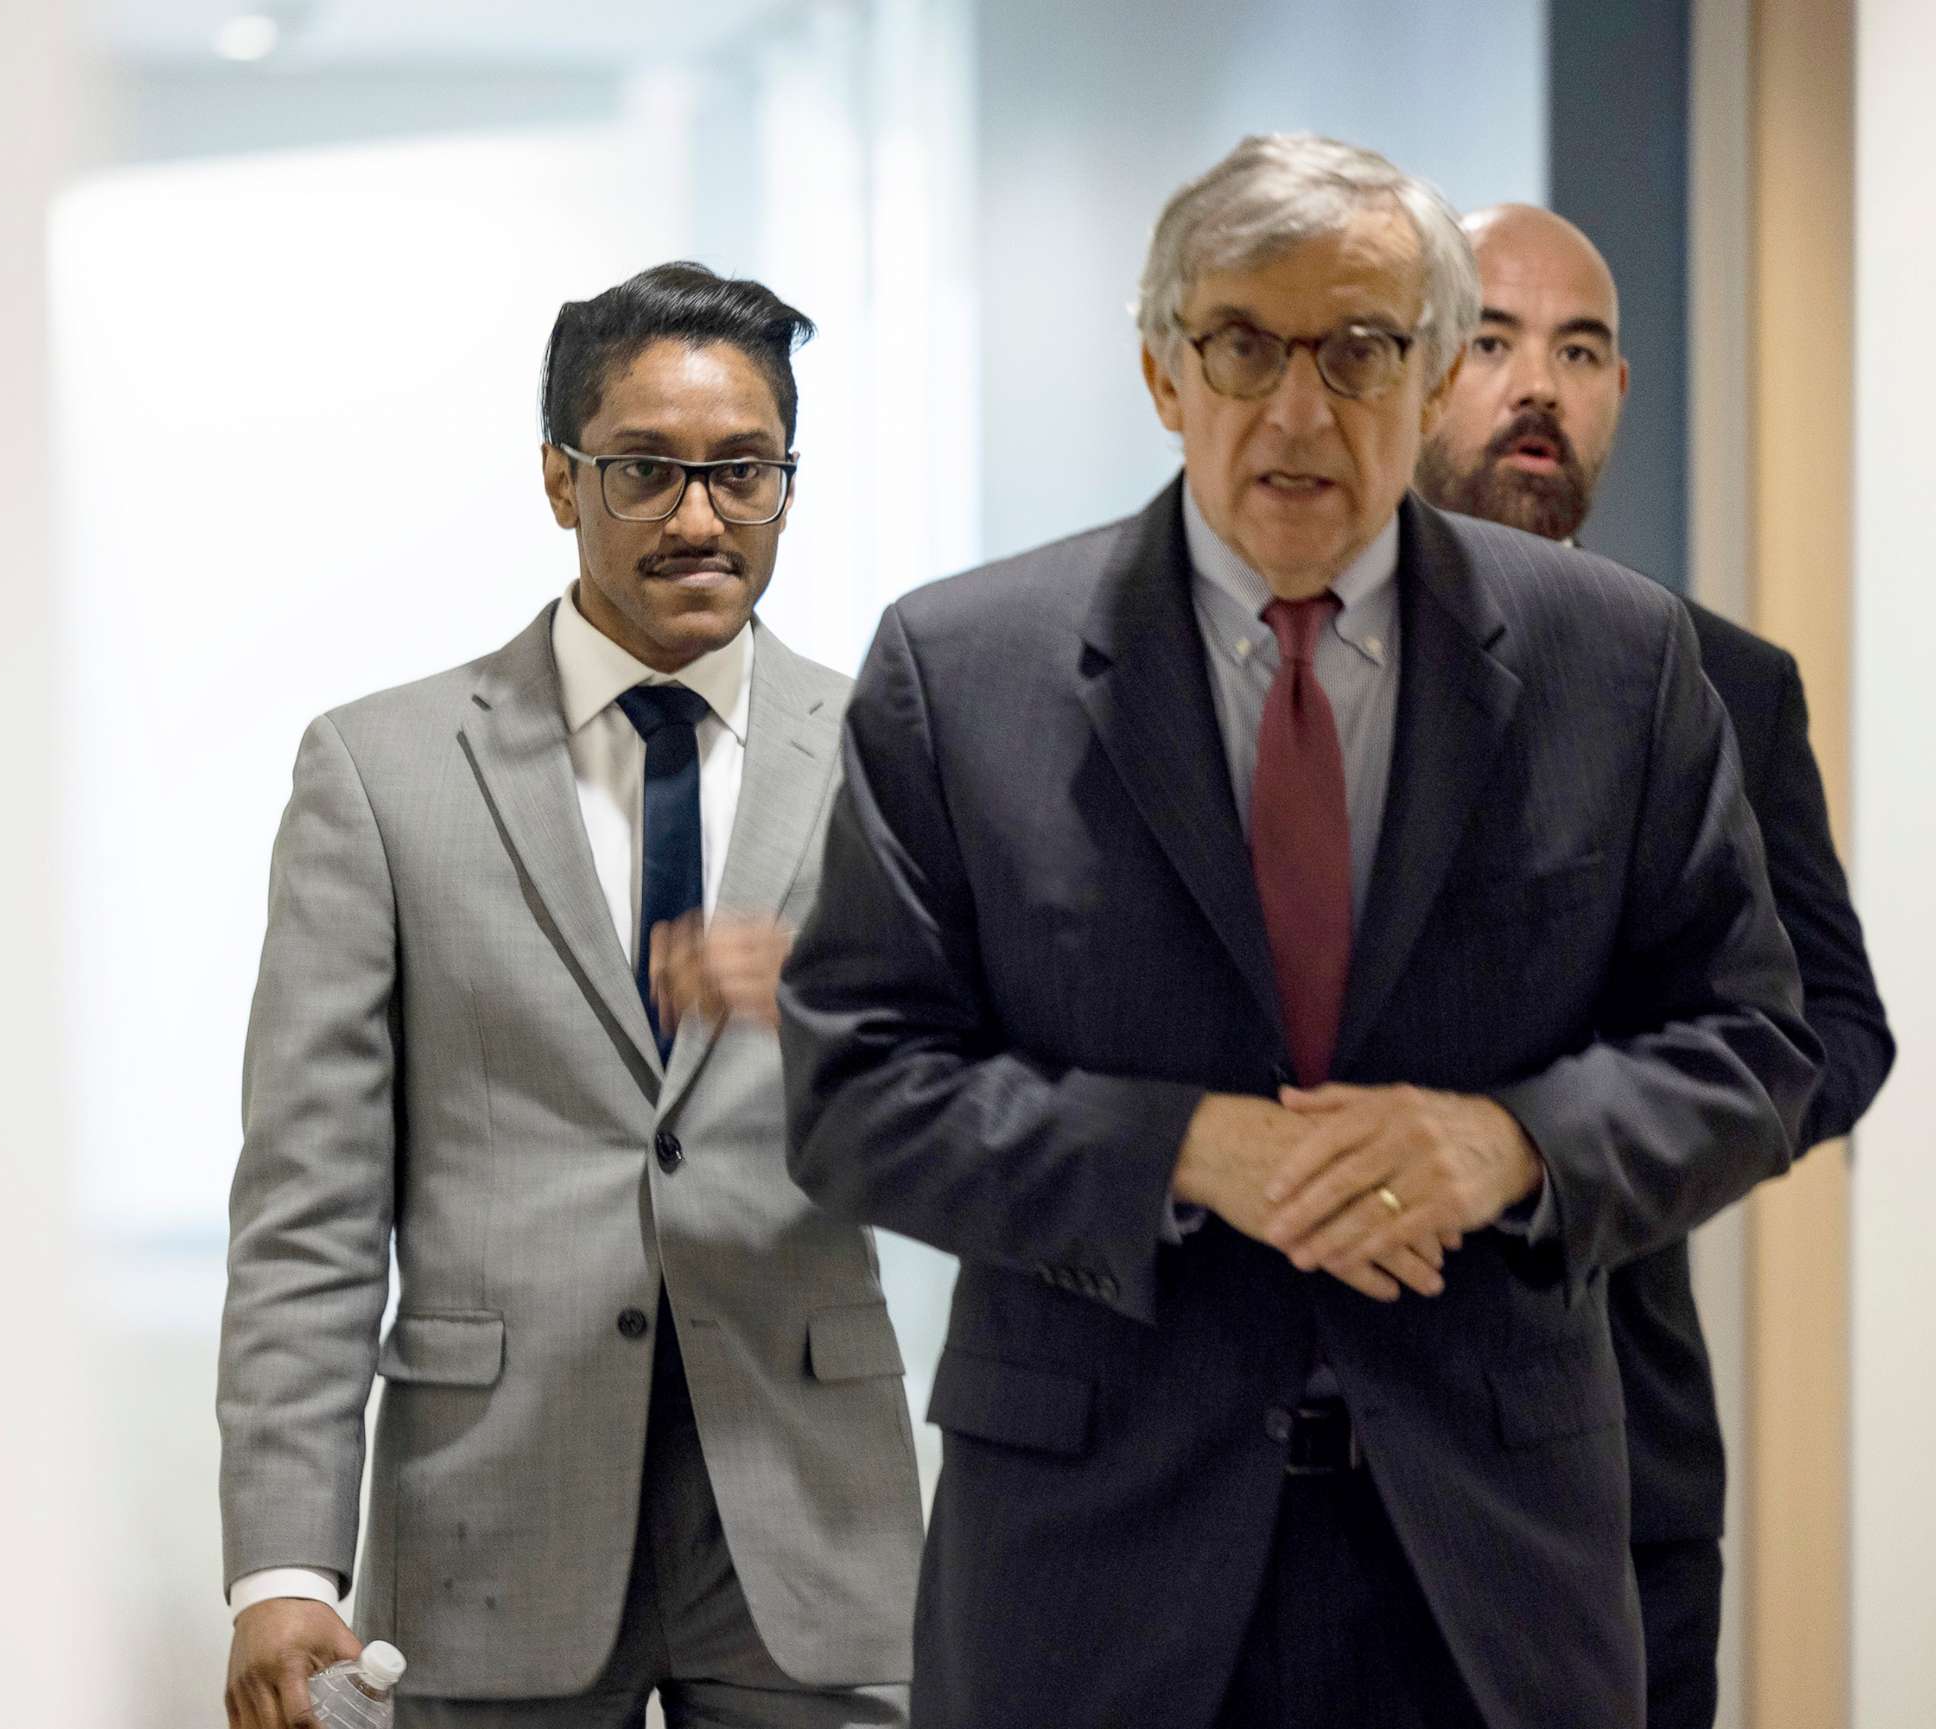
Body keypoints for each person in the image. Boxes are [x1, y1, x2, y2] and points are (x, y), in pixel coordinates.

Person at [778, 135, 1819, 1729]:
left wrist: (1509, 1145)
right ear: (1160, 370)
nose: (1297, 408)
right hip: (1090, 1567)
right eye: (1243, 344)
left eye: (1359, 348)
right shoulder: (959, 669)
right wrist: (1184, 1149)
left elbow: (1753, 1041)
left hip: (1490, 1563)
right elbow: (855, 1096)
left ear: (1431, 370)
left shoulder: (1618, 661)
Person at [217, 261, 919, 1729]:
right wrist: (283, 1561)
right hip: (493, 1520)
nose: (699, 515)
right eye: (646, 472)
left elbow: (998, 1094)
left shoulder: (893, 753)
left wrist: (845, 1001)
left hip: (810, 1508)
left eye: (742, 471)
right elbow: (309, 1201)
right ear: (560, 479)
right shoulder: (381, 771)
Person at [1417, 202, 1893, 1729]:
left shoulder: (1724, 681)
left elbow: (1832, 1030)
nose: (1535, 386)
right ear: (1406, 367)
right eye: (1489, 341)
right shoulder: (1275, 655)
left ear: (1623, 391)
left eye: (1579, 350)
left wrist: (1599, 1140)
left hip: (1616, 1436)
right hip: (1298, 1447)